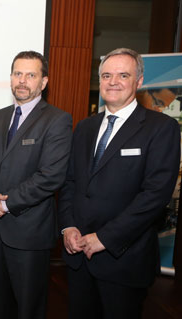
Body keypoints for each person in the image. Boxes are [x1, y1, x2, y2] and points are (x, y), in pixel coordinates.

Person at [58, 48, 180, 318]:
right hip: (79, 256)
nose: (113, 82)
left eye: (123, 75)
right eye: (106, 75)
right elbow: (70, 182)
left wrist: (104, 238)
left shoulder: (161, 128)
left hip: (124, 259)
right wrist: (68, 226)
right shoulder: (85, 127)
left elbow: (155, 196)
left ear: (138, 82)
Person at [0, 51, 73, 319]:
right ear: (10, 78)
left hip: (30, 234)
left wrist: (4, 204)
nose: (23, 81)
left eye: (30, 75)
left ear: (43, 82)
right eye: (18, 74)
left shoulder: (57, 119)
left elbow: (51, 176)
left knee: (28, 309)